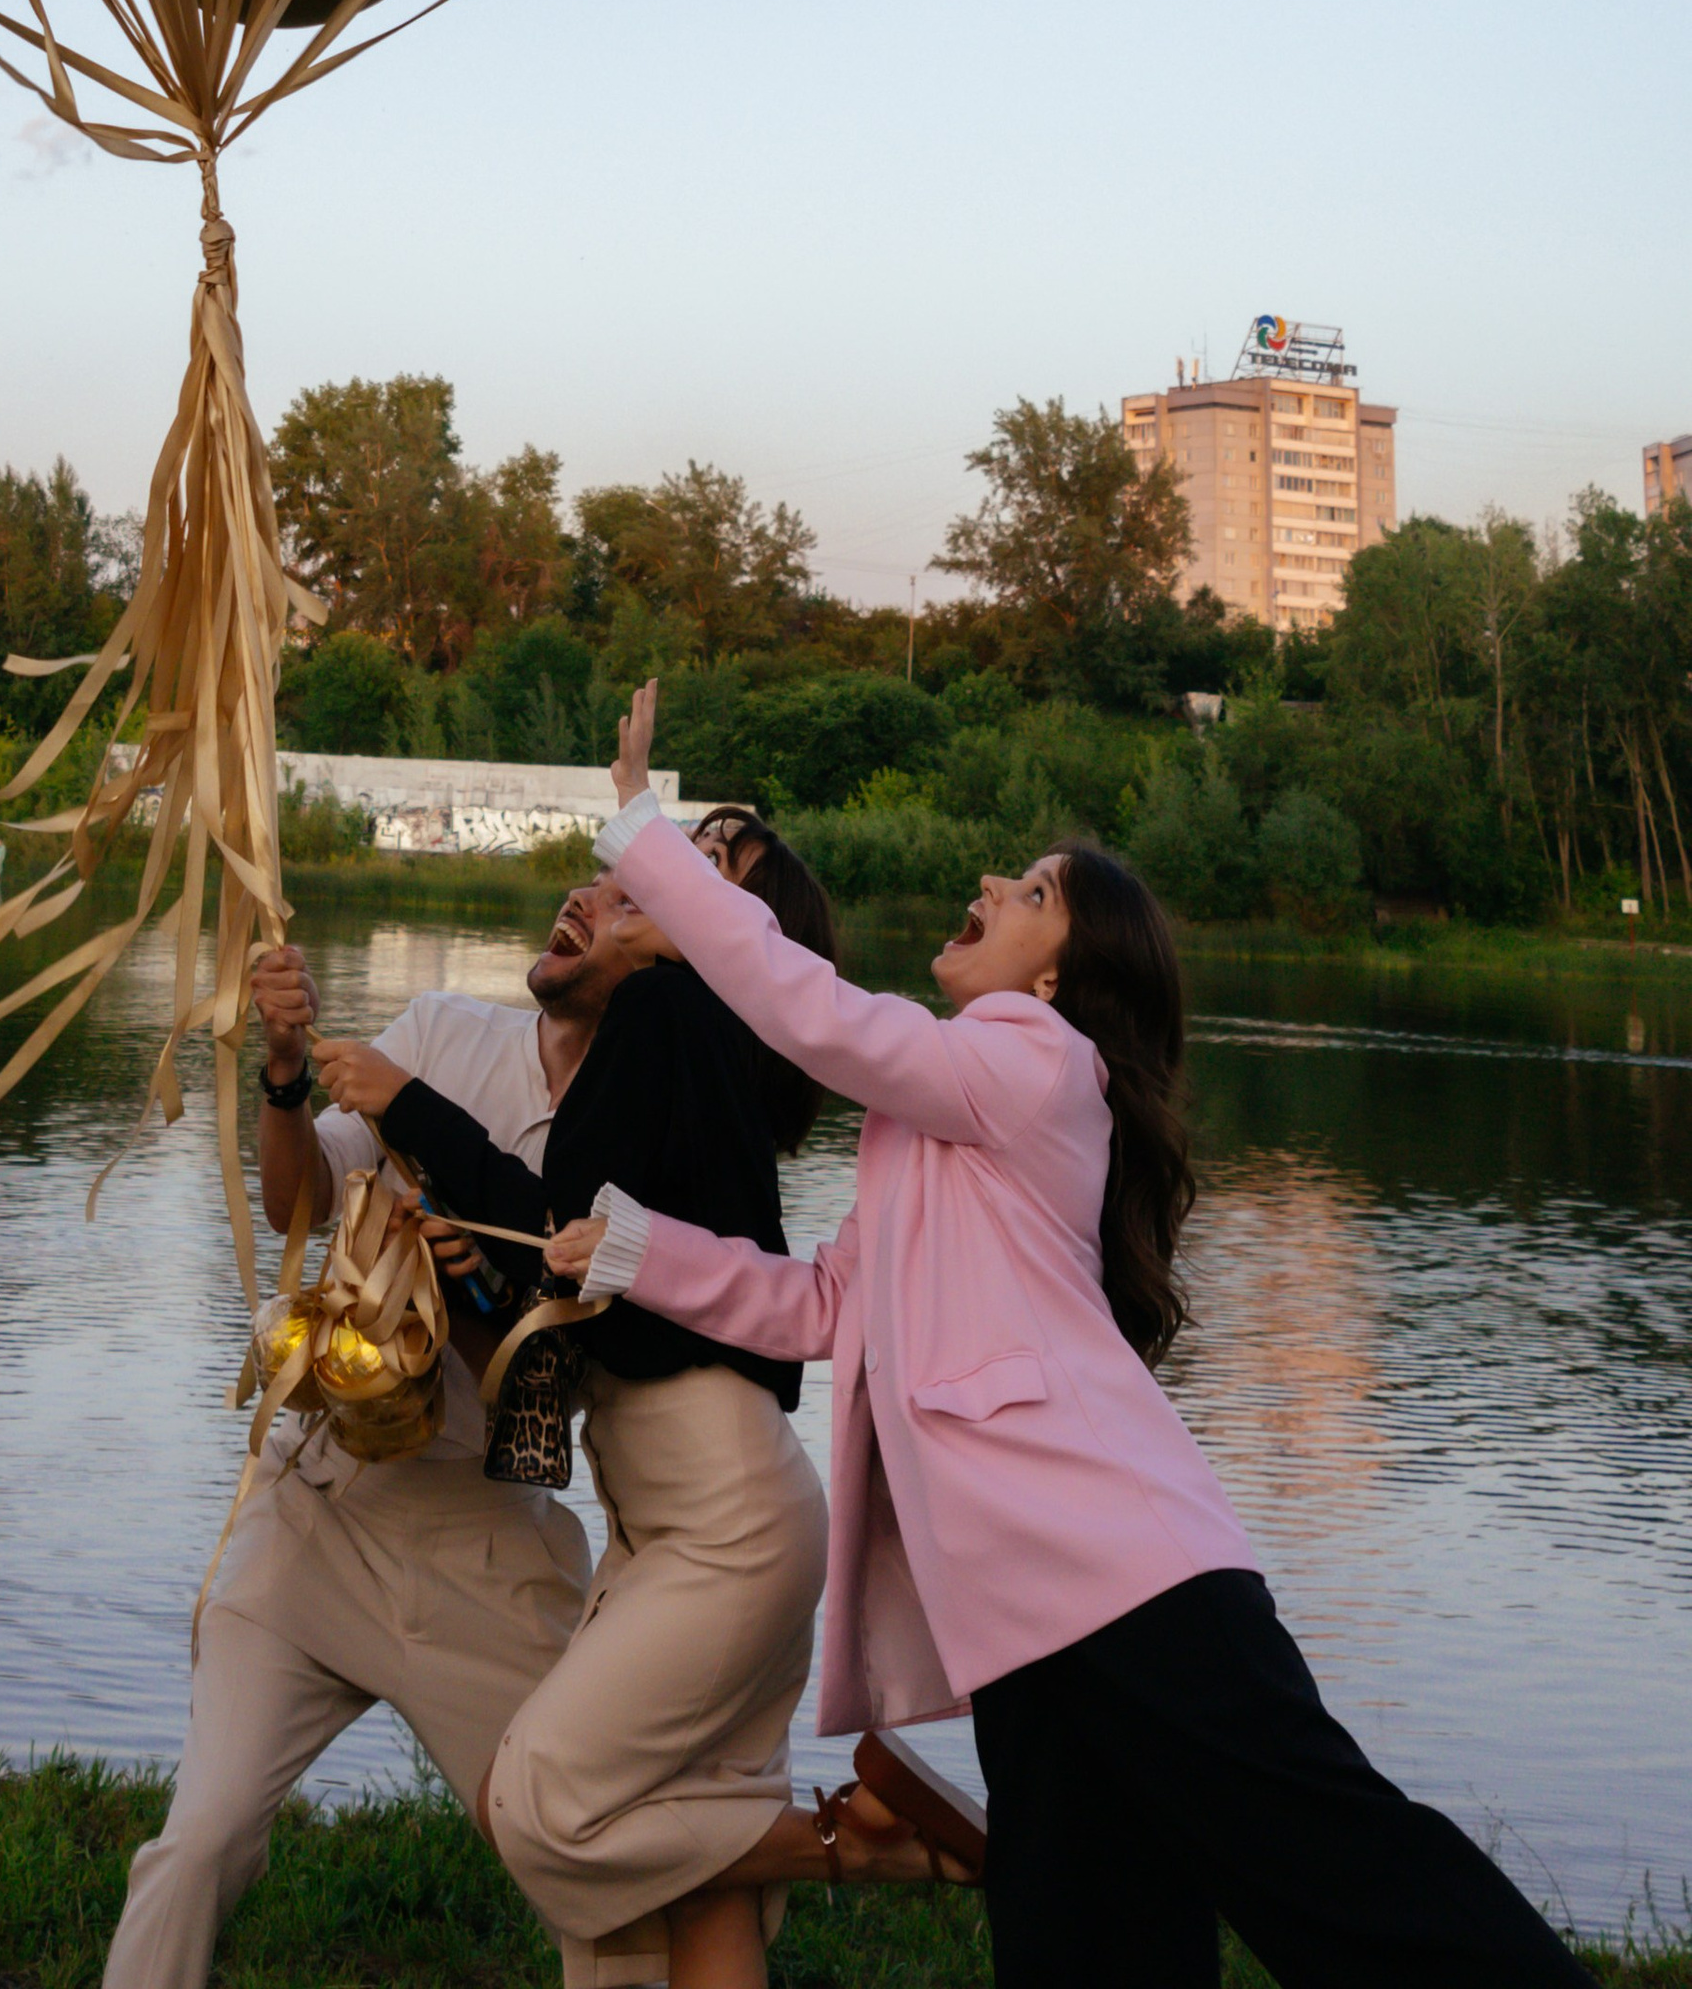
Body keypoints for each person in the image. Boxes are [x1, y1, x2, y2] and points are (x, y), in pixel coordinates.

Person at [548, 688, 1597, 1989]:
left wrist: (644, 829)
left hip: (1130, 1584)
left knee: (1343, 1884)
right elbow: (821, 1304)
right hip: (1023, 1629)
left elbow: (810, 1010)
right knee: (1088, 1953)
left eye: (1034, 891)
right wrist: (639, 1250)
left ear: (1054, 975)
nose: (992, 881)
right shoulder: (940, 1124)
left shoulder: (1033, 1064)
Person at [313, 810, 937, 1989]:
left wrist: (405, 1099)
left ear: (747, 942)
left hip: (722, 1524)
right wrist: (477, 1264)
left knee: (539, 1804)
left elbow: (558, 1220)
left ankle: (859, 1849)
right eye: (683, 847)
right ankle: (803, 1852)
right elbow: (588, 1274)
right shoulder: (693, 1069)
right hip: (703, 1519)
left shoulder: (666, 1012)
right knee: (702, 1885)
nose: (661, 869)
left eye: (715, 867)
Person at [102, 877, 676, 1989]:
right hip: (316, 1513)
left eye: (626, 903)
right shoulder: (447, 1031)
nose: (582, 896)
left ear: (666, 969)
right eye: (592, 882)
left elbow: (545, 1403)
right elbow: (297, 1202)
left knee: (591, 1874)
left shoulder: (638, 1150)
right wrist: (281, 1067)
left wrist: (470, 1291)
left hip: (480, 1552)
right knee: (198, 1842)